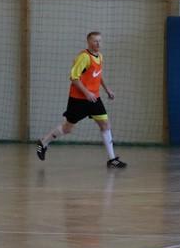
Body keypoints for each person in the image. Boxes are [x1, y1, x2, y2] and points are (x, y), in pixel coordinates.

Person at [35, 31, 127, 168]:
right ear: (89, 42)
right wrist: (86, 92)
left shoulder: (100, 56)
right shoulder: (84, 57)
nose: (98, 44)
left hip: (94, 98)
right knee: (68, 128)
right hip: (79, 99)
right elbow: (74, 78)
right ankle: (43, 142)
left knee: (105, 125)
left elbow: (98, 75)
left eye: (100, 41)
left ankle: (112, 159)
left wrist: (107, 89)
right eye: (95, 41)